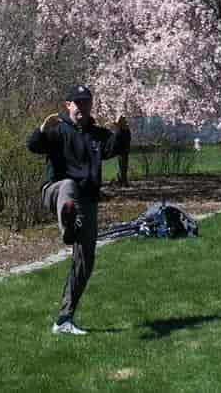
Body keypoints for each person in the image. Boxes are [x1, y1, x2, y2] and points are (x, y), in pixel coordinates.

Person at [26, 84, 130, 336]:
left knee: (85, 261)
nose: (82, 107)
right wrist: (42, 130)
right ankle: (68, 226)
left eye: (86, 102)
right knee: (69, 186)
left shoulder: (96, 135)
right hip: (56, 191)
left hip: (86, 202)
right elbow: (33, 146)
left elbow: (116, 148)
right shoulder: (57, 130)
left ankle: (64, 319)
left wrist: (122, 130)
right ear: (68, 105)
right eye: (78, 102)